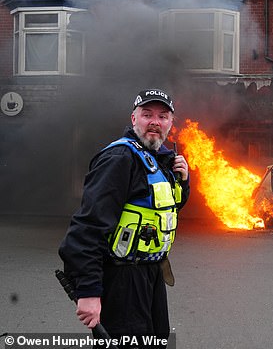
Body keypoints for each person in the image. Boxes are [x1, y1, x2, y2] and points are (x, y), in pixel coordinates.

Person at [59, 89, 190, 348]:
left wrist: (183, 183)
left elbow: (162, 210)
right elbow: (87, 228)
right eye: (147, 114)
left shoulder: (160, 159)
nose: (155, 121)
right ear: (133, 119)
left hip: (151, 276)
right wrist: (89, 292)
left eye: (163, 116)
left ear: (170, 124)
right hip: (122, 281)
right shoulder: (119, 158)